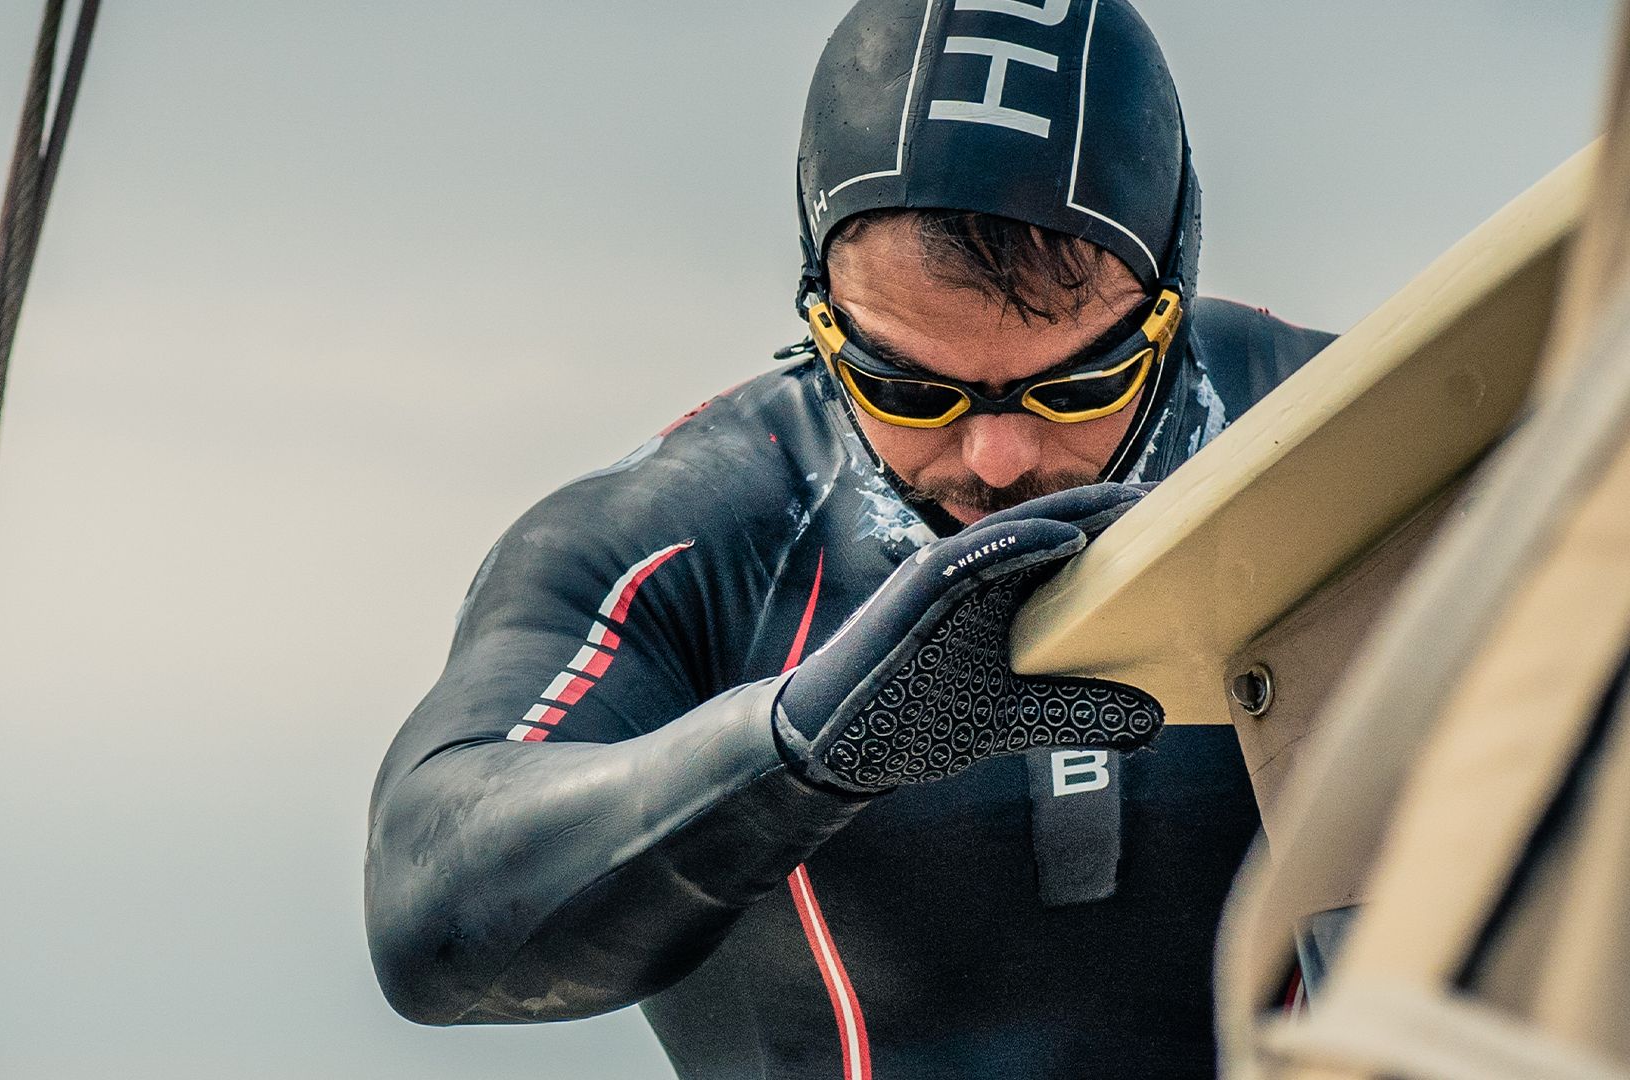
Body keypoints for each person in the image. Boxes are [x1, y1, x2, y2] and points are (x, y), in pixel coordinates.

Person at [366, 1, 1334, 1076]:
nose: (997, 457)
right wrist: (791, 755)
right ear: (822, 311)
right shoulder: (694, 538)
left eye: (1079, 385)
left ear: (1172, 288)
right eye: (908, 387)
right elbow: (429, 913)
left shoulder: (1364, 452)